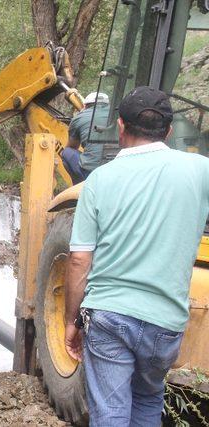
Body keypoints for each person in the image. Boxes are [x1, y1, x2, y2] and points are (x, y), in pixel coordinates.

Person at [64, 86, 209, 426]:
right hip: (165, 322)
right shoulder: (200, 170)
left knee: (111, 414)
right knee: (146, 401)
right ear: (169, 132)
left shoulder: (98, 180)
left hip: (110, 316)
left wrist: (72, 320)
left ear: (120, 127)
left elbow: (79, 260)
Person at [61, 92, 110, 184]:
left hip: (91, 172)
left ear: (85, 105)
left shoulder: (79, 118)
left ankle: (79, 187)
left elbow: (72, 146)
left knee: (66, 152)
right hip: (115, 168)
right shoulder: (118, 115)